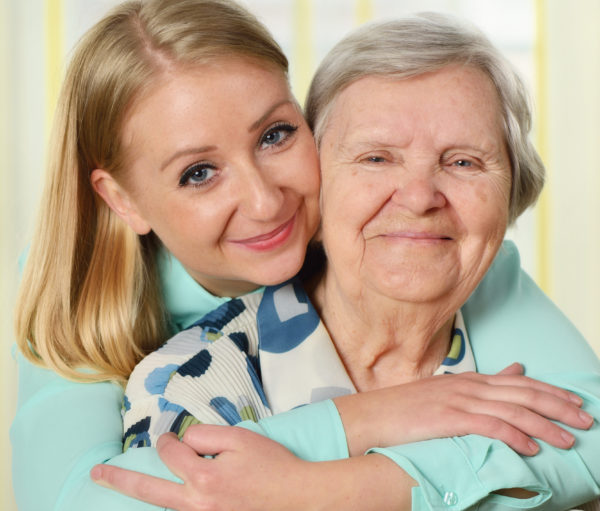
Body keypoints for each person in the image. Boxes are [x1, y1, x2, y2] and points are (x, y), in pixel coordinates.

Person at [10, 2, 597, 510]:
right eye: (198, 173)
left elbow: (588, 430)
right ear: (122, 199)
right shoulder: (78, 296)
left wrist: (343, 488)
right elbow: (82, 500)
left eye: (274, 136)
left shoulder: (415, 246)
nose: (266, 202)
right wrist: (371, 419)